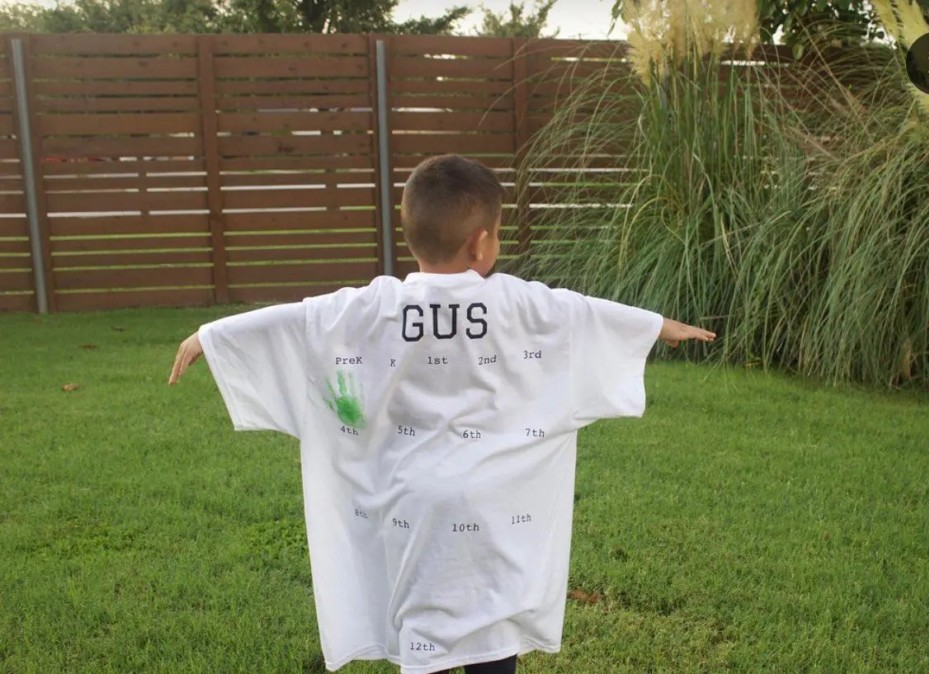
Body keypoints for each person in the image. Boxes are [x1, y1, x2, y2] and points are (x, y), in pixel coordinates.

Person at [168, 154, 716, 674]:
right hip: (496, 512)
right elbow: (582, 315)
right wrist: (659, 327)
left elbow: (299, 322)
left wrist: (210, 337)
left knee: (422, 621)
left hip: (410, 506)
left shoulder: (376, 305)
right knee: (495, 622)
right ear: (481, 244)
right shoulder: (517, 302)